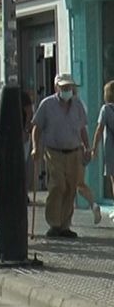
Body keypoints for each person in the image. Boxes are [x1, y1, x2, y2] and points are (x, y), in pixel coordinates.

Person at [31, 72, 90, 239]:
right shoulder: (47, 104)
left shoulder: (77, 105)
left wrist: (87, 147)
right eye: (64, 87)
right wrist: (36, 148)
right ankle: (54, 224)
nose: (67, 90)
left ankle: (65, 225)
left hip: (74, 151)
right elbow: (36, 127)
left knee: (71, 188)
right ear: (57, 87)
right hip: (54, 151)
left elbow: (82, 128)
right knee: (58, 186)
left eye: (69, 87)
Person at [89, 80, 114, 225]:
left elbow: (99, 129)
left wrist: (94, 147)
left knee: (113, 180)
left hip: (111, 149)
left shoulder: (106, 109)